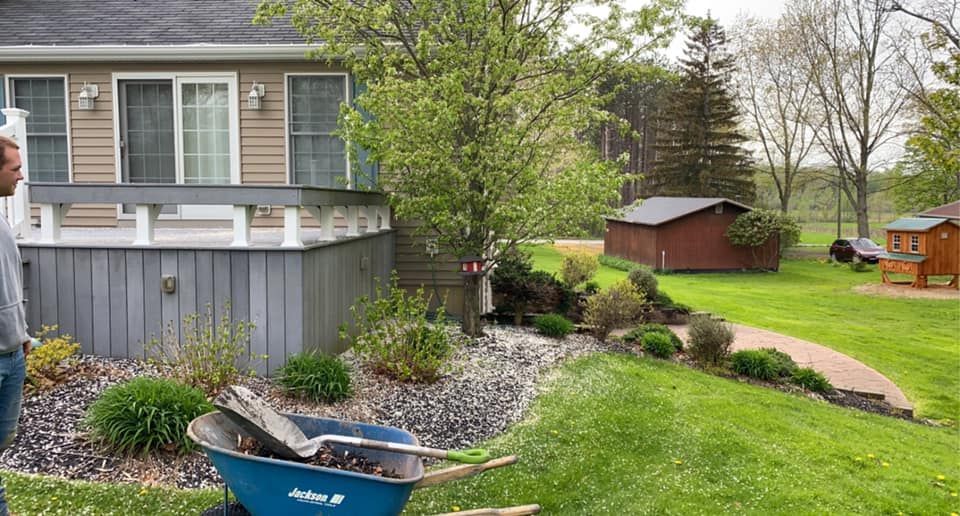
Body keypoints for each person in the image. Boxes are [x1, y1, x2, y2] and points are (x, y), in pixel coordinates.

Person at [0, 135, 30, 516]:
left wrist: (21, 333)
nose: (21, 176)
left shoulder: (2, 220)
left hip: (12, 353)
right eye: (15, 168)